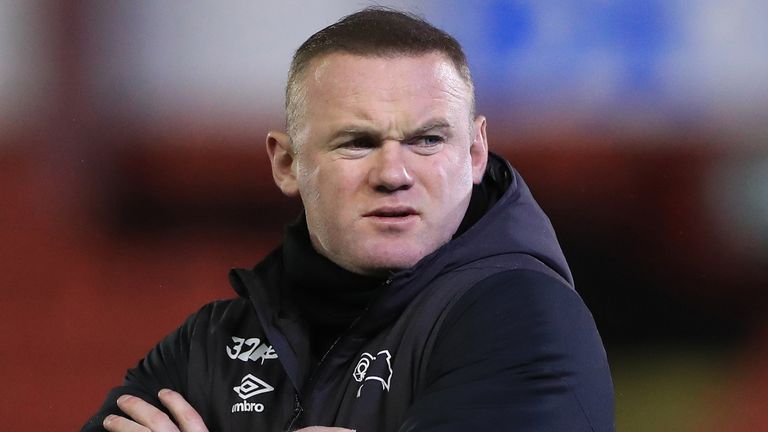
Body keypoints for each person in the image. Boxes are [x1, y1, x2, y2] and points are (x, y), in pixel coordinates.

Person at [83, 7, 614, 432]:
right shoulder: (210, 345)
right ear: (286, 163)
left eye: (427, 140)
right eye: (357, 143)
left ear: (475, 154)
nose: (394, 173)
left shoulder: (522, 318)